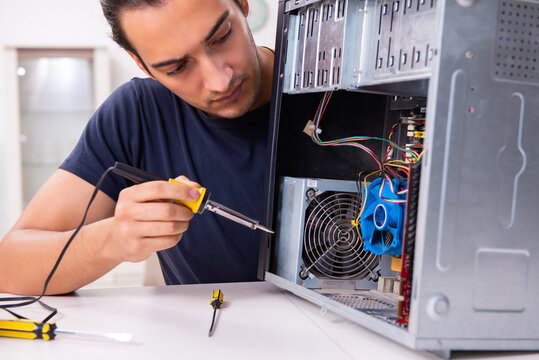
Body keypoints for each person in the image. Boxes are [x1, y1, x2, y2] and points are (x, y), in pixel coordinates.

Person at [0, 0, 274, 295]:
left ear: (242, 4)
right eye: (177, 67)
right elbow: (10, 267)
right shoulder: (139, 114)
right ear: (142, 64)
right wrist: (115, 238)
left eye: (221, 37)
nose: (220, 81)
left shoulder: (328, 84)